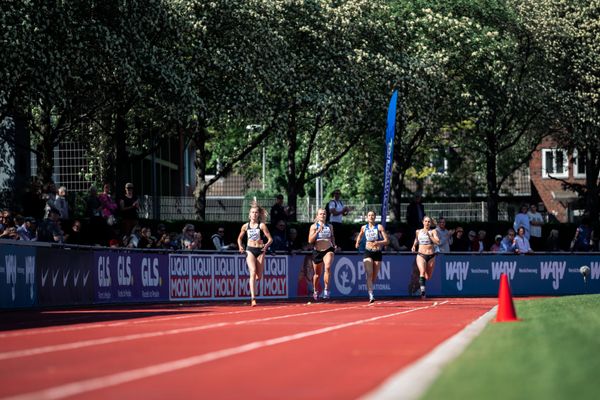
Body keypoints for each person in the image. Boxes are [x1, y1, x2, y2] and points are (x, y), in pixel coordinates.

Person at [237, 202, 273, 306]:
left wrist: (266, 246)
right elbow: (239, 238)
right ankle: (253, 298)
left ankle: (254, 289)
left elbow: (270, 239)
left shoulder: (262, 226)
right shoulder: (245, 226)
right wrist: (240, 246)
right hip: (250, 250)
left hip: (260, 251)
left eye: (256, 212)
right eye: (252, 212)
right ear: (249, 214)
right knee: (252, 272)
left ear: (258, 214)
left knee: (259, 276)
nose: (254, 214)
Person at [354, 210, 389, 304]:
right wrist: (357, 242)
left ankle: (370, 289)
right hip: (368, 252)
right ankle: (371, 295)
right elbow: (360, 235)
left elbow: (387, 241)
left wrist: (379, 242)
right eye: (369, 215)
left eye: (372, 215)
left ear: (375, 217)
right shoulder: (364, 227)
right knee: (369, 273)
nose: (371, 217)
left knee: (374, 276)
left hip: (377, 252)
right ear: (367, 217)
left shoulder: (379, 227)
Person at [308, 207, 337, 301]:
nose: (323, 215)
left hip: (328, 249)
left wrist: (334, 244)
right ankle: (315, 290)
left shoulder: (330, 226)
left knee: (327, 267)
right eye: (320, 214)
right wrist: (317, 232)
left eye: (324, 214)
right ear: (317, 215)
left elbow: (332, 237)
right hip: (317, 251)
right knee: (317, 274)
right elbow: (310, 241)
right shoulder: (314, 226)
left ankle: (326, 290)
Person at [411, 216, 440, 299]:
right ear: (423, 222)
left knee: (428, 277)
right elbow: (416, 239)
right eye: (426, 221)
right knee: (422, 272)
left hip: (431, 255)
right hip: (421, 254)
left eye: (429, 222)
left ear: (431, 223)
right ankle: (423, 292)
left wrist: (430, 236)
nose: (427, 223)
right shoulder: (418, 231)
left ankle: (423, 284)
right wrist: (414, 246)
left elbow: (438, 242)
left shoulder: (433, 231)